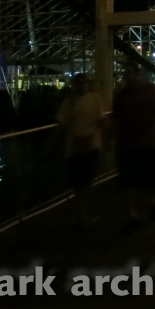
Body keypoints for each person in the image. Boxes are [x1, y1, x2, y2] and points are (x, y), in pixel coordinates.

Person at [112, 63, 155, 232]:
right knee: (129, 180)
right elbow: (116, 117)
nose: (127, 76)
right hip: (127, 142)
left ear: (138, 74)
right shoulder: (122, 94)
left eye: (129, 72)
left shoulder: (149, 89)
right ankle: (133, 213)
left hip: (146, 141)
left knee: (149, 177)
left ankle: (153, 200)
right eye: (125, 73)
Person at [56, 74, 105, 225]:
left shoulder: (94, 99)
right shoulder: (68, 103)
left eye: (84, 83)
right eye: (79, 83)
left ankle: (85, 215)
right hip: (74, 147)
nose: (81, 86)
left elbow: (102, 120)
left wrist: (108, 139)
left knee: (84, 182)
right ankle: (85, 215)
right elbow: (61, 124)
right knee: (79, 183)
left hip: (90, 146)